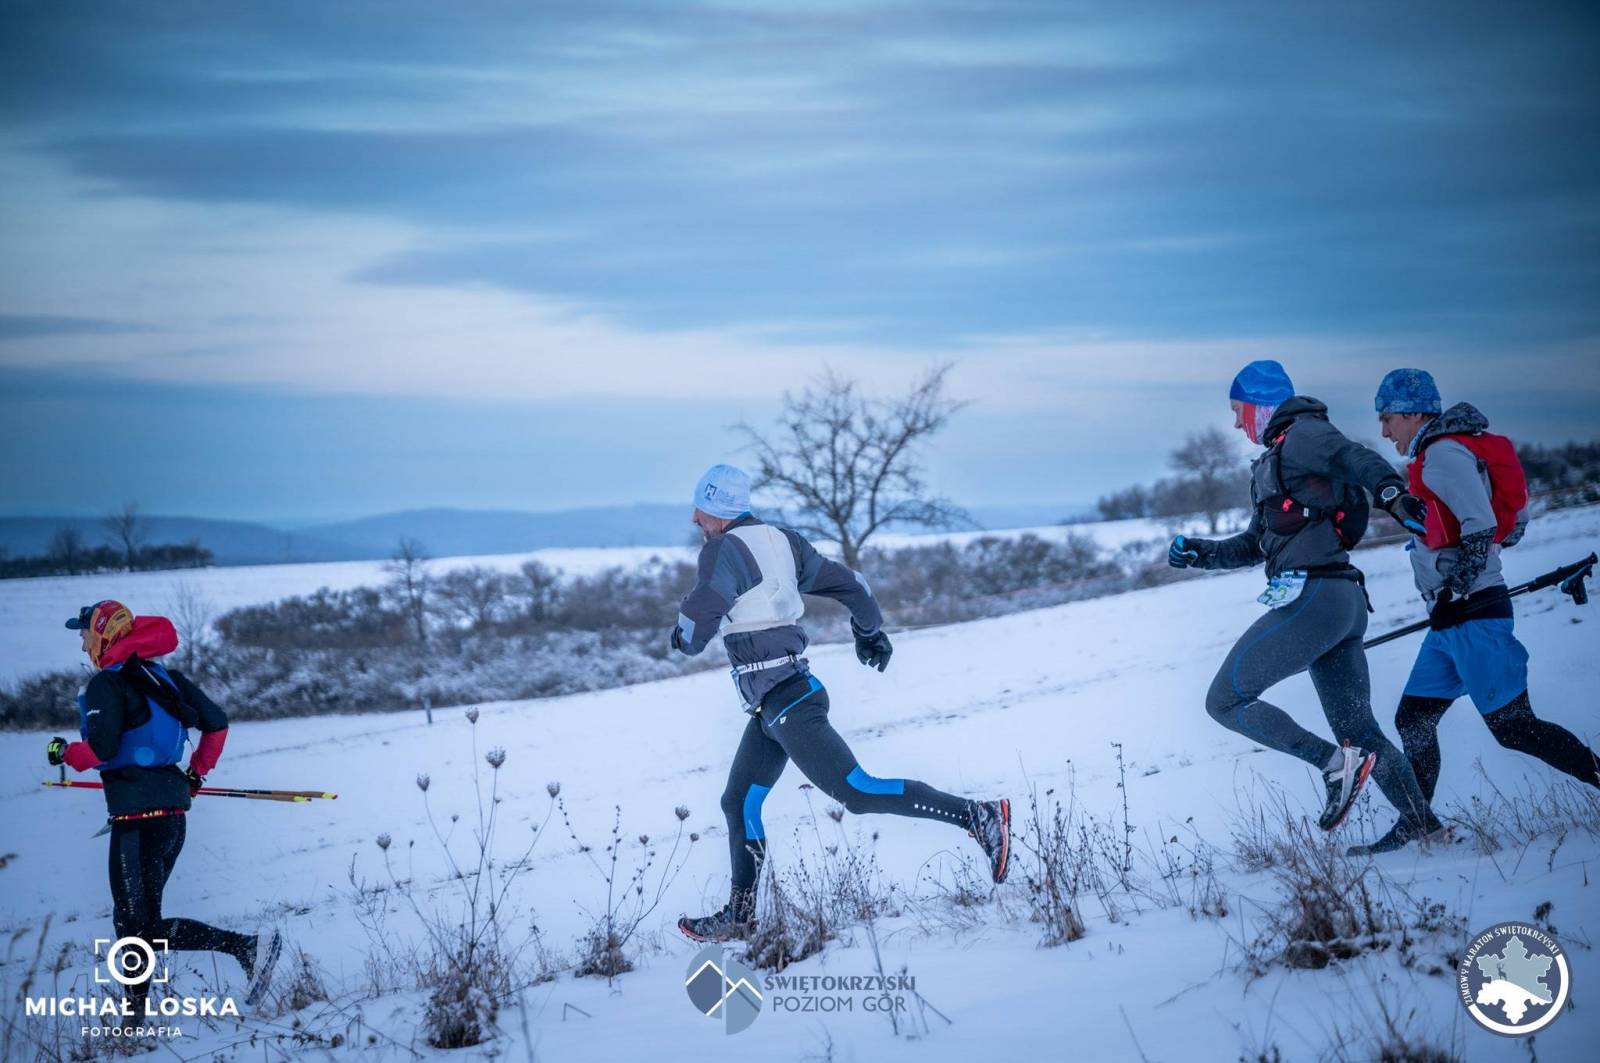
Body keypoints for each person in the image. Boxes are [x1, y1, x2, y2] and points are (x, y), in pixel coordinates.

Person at [671, 465, 1011, 942]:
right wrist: (869, 631)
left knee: (858, 792)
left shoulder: (722, 550)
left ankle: (978, 816)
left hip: (788, 702)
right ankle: (740, 917)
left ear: (717, 510)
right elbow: (855, 585)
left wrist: (682, 631)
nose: (694, 519)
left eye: (700, 510)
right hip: (775, 703)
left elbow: (695, 628)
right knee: (738, 802)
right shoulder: (784, 542)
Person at [1167, 360, 1449, 855]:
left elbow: (1355, 457)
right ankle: (1428, 830)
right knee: (1359, 730)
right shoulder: (1275, 459)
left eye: (1238, 411)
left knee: (1224, 701)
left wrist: (1392, 494)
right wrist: (1202, 554)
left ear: (1261, 404)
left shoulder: (1304, 435)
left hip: (1315, 599)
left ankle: (1333, 766)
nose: (1236, 423)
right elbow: (1257, 544)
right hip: (1340, 604)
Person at [48, 600, 281, 1026]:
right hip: (172, 817)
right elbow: (217, 724)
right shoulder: (165, 677)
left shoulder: (106, 684)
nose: (83, 646)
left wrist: (64, 752)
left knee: (133, 927)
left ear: (102, 635)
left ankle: (245, 948)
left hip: (136, 822)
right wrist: (195, 774)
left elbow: (100, 750)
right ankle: (137, 1019)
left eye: (84, 635)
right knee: (139, 925)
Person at [1374, 368, 1599, 798]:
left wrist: (1458, 589)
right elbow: (1511, 525)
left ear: (1415, 414)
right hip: (1450, 617)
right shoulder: (1446, 453)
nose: (1384, 431)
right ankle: (1419, 824)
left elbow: (1482, 525)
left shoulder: (1443, 455)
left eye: (1388, 418)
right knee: (1414, 719)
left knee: (1513, 727)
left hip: (1471, 613)